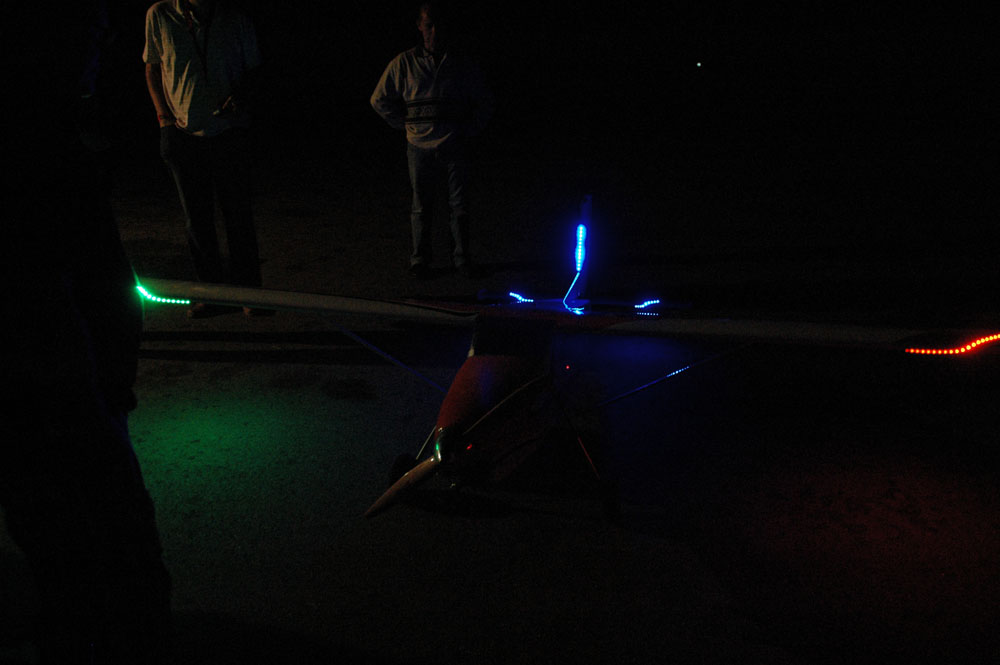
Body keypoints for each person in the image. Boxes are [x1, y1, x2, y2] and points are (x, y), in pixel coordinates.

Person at [3, 4, 172, 662]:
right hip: (64, 398)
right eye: (91, 29)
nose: (104, 42)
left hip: (62, 394)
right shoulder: (36, 138)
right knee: (113, 563)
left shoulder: (50, 127)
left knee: (65, 558)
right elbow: (63, 280)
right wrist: (103, 390)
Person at [143, 0, 270, 317]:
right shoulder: (160, 14)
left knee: (238, 216)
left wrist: (242, 97)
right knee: (197, 220)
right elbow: (153, 68)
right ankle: (211, 295)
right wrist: (164, 119)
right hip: (184, 133)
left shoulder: (234, 16)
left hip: (230, 131)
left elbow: (255, 70)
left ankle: (249, 294)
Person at [371, 1, 494, 279]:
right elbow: (378, 99)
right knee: (422, 206)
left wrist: (470, 129)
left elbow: (485, 100)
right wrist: (404, 125)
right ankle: (421, 260)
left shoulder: (460, 63)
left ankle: (460, 259)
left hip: (453, 143)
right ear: (420, 27)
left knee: (458, 206)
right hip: (420, 146)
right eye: (429, 25)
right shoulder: (404, 63)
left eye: (439, 25)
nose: (434, 32)